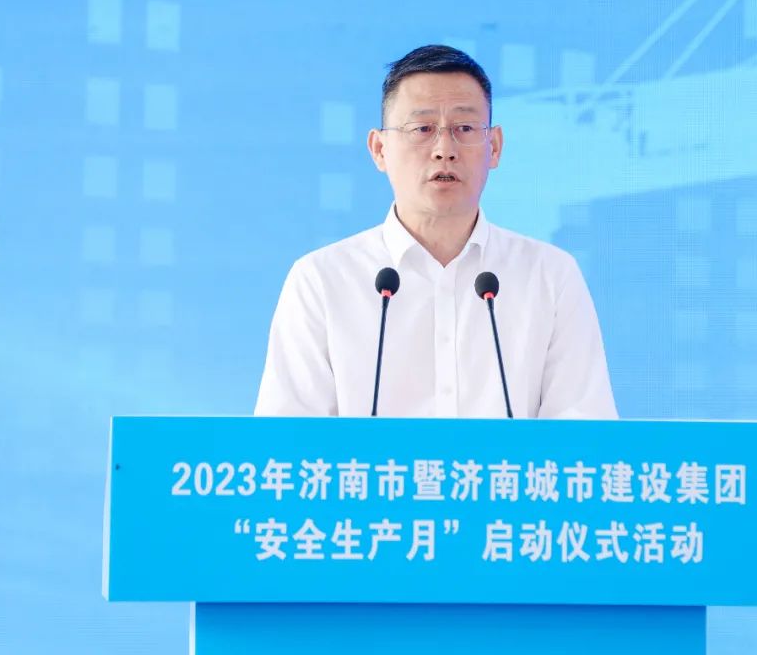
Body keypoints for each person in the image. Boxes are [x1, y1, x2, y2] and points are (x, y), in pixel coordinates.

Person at [255, 44, 617, 419]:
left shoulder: (551, 276)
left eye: (464, 128)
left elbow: (585, 436)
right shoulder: (321, 280)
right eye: (423, 129)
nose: (444, 149)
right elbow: (286, 442)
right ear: (379, 149)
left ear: (494, 147)